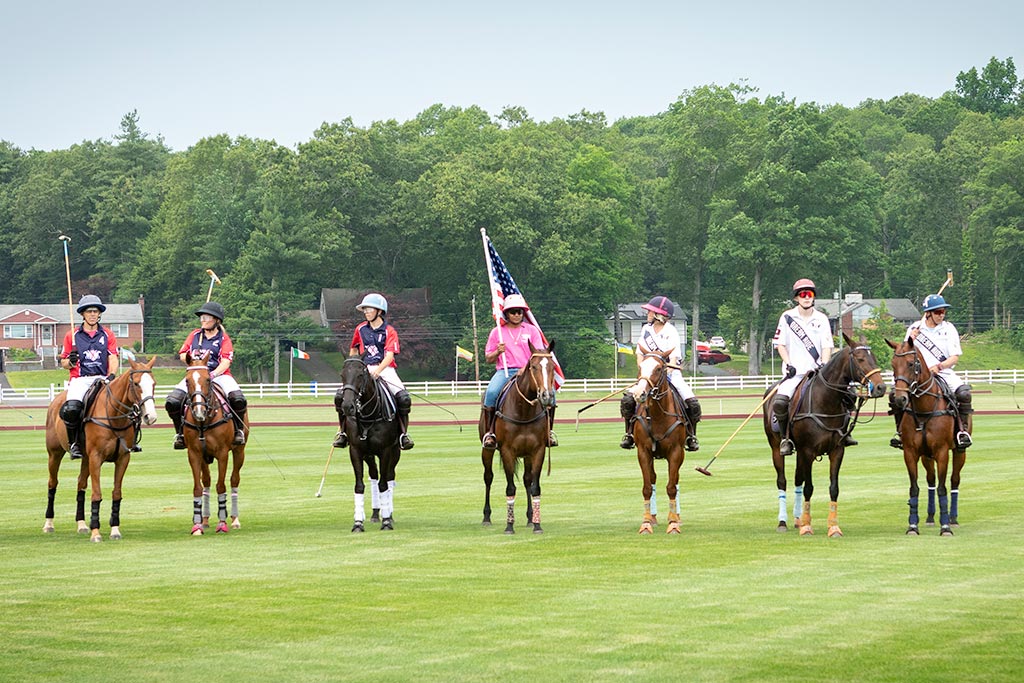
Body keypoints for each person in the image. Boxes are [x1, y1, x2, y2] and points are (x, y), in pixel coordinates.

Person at [770, 278, 858, 456]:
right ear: (796, 298)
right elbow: (780, 344)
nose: (806, 297)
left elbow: (827, 346)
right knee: (780, 402)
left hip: (817, 373)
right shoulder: (787, 317)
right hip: (794, 373)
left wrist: (825, 365)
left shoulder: (822, 318)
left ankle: (844, 433)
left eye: (809, 294)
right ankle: (786, 438)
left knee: (849, 395)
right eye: (802, 294)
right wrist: (788, 364)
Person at [332, 293, 414, 450]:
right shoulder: (360, 329)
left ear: (379, 311)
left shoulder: (390, 331)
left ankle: (403, 434)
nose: (366, 312)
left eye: (369, 309)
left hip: (385, 368)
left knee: (403, 398)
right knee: (340, 396)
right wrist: (353, 366)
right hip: (363, 368)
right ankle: (343, 433)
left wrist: (378, 371)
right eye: (364, 309)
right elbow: (354, 348)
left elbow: (389, 356)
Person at [890, 294, 972, 449]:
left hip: (943, 372)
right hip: (917, 375)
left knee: (964, 394)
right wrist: (911, 338)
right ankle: (901, 433)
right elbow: (904, 352)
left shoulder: (949, 329)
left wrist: (939, 367)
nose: (941, 315)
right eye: (937, 312)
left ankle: (962, 432)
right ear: (928, 313)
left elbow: (955, 357)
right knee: (894, 396)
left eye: (943, 312)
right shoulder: (914, 328)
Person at [619, 296, 701, 451]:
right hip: (648, 376)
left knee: (693, 403)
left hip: (670, 375)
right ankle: (629, 434)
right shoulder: (646, 330)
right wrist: (645, 371)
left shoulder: (671, 331)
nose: (647, 313)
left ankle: (691, 436)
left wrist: (663, 372)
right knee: (628, 401)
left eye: (650, 311)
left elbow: (674, 357)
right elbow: (640, 354)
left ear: (658, 314)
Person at [164, 302, 248, 449]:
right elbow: (182, 354)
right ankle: (180, 434)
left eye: (206, 317)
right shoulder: (195, 335)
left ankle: (238, 431)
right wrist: (193, 358)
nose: (203, 320)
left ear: (217, 320)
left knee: (238, 398)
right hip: (196, 374)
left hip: (219, 375)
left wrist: (213, 374)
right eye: (202, 317)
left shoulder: (223, 339)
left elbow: (226, 362)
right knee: (172, 401)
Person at [480, 293, 558, 449]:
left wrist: (525, 368)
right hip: (505, 371)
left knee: (552, 395)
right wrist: (497, 352)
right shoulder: (497, 332)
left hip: (528, 371)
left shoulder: (531, 330)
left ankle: (548, 432)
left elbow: (538, 354)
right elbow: (488, 358)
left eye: (519, 311)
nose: (516, 314)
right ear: (506, 313)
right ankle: (490, 433)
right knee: (491, 392)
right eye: (513, 311)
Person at [59, 295, 120, 459]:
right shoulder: (72, 335)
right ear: (82, 314)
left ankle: (128, 441)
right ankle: (74, 444)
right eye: (89, 311)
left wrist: (112, 375)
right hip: (80, 379)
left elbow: (113, 357)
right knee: (72, 408)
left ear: (99, 314)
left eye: (95, 311)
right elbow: (63, 362)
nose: (93, 314)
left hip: (102, 378)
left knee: (125, 402)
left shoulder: (107, 334)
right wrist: (70, 362)